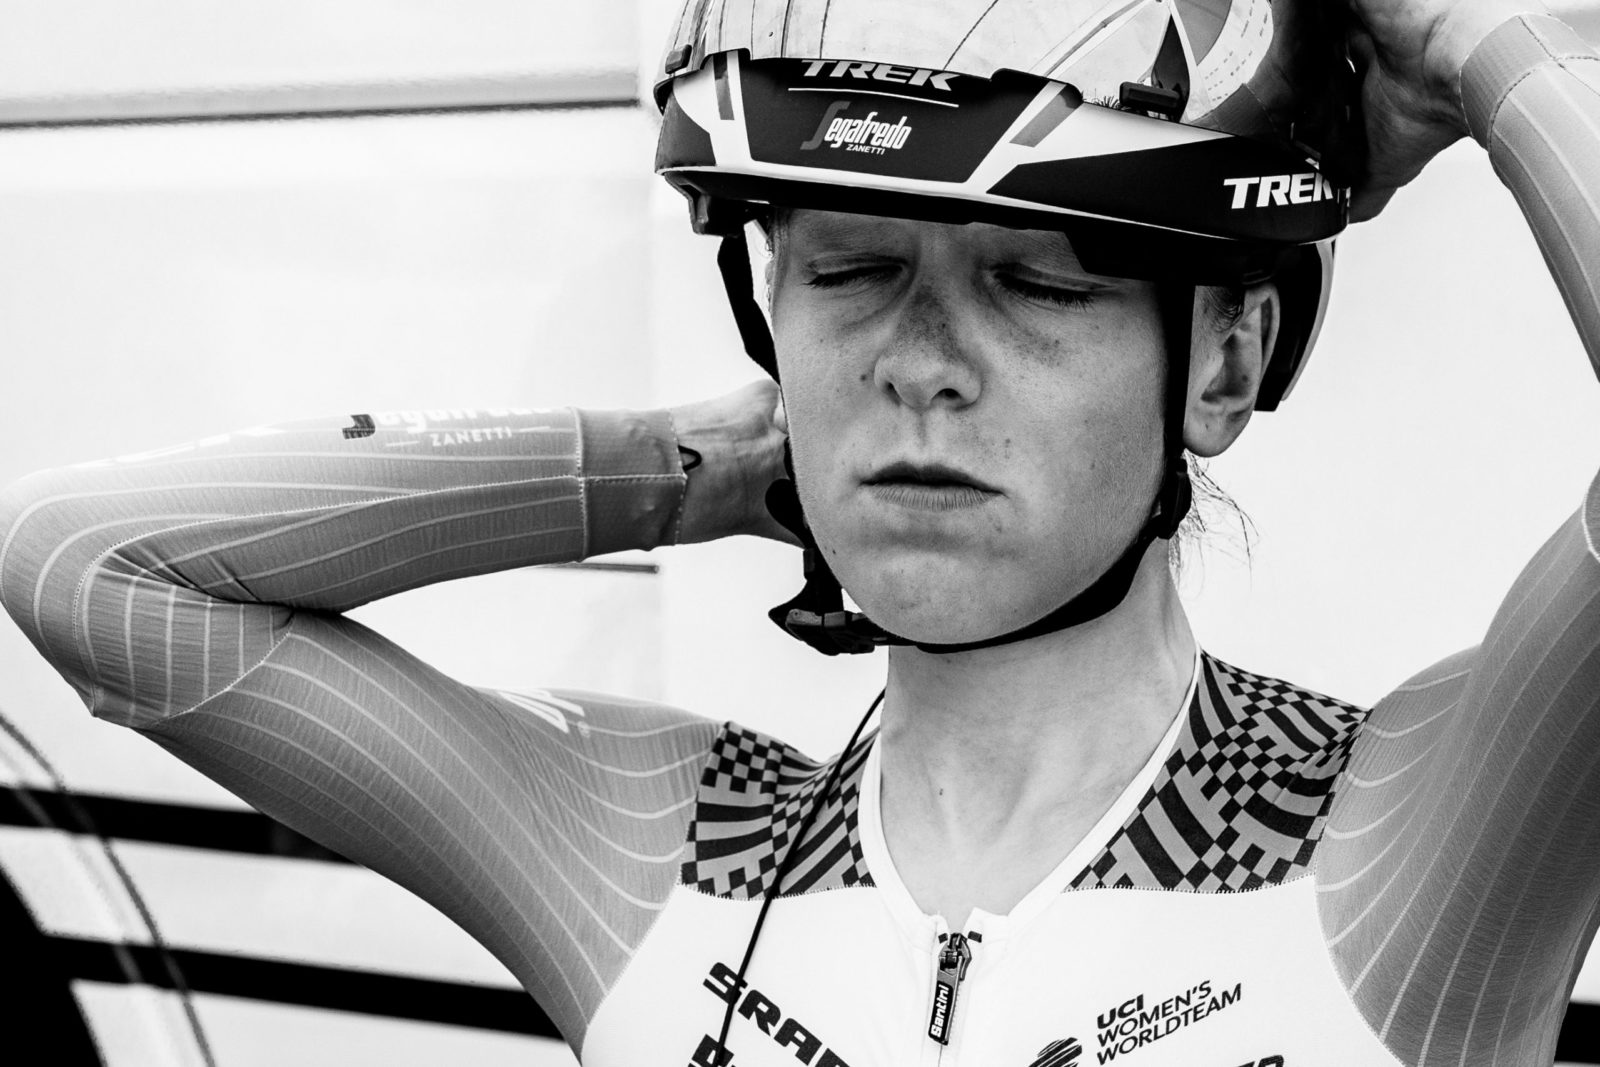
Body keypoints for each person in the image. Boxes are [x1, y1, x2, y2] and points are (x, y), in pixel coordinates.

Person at [3, 0, 1598, 1063]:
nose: (920, 365)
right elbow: (86, 565)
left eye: (1035, 283)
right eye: (849, 273)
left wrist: (1483, 49)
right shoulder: (666, 851)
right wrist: (708, 467)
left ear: (1226, 361)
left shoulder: (1409, 836)